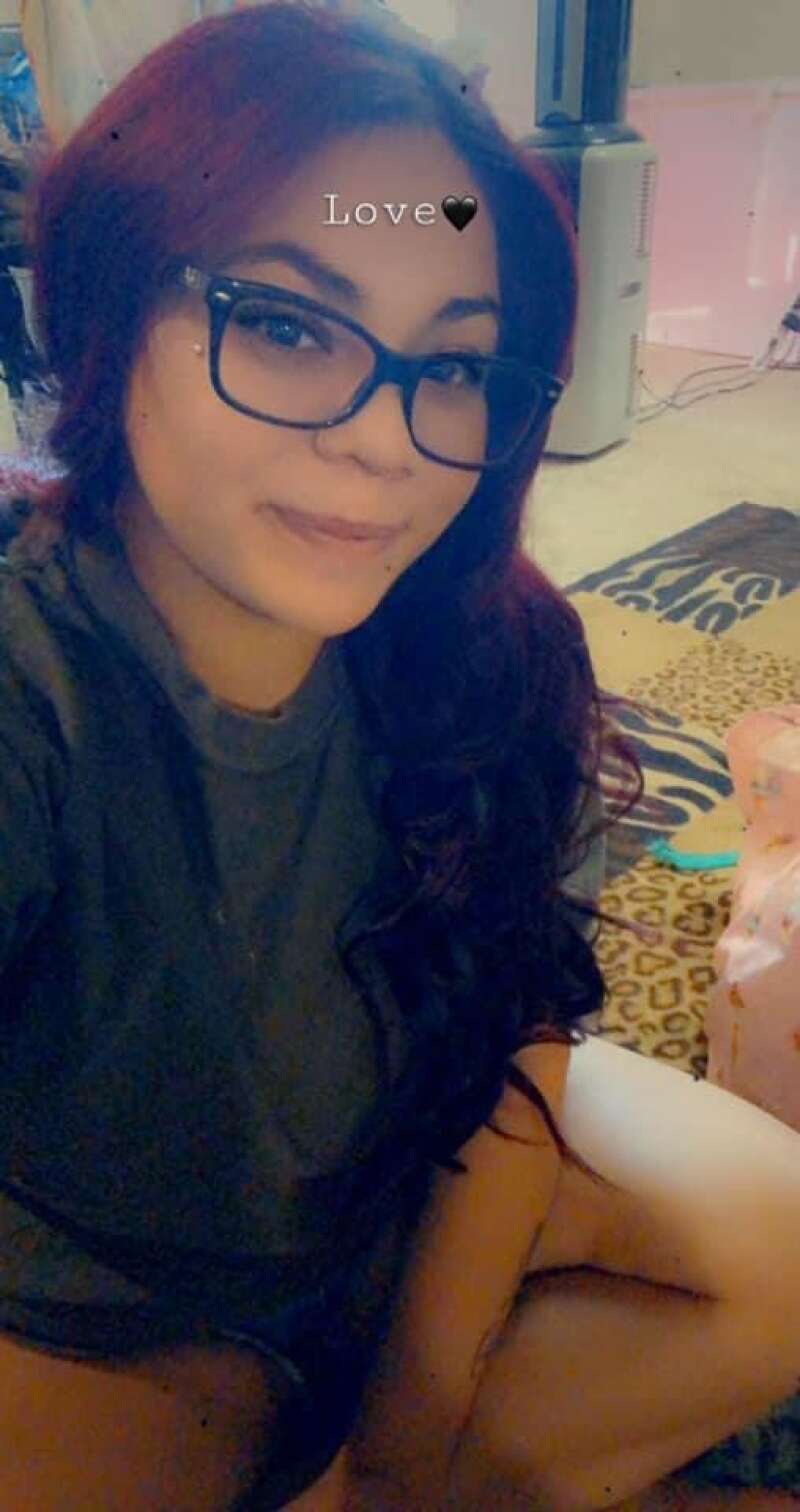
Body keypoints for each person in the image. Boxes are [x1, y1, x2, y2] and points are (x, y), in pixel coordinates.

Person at [1, 4, 799, 1509]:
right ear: (111, 306)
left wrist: (401, 1448)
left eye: (454, 365)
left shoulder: (489, 649)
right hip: (107, 1309)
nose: (384, 442)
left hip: (384, 1181)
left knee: (776, 1245)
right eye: (289, 325)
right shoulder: (33, 689)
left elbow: (511, 1042)